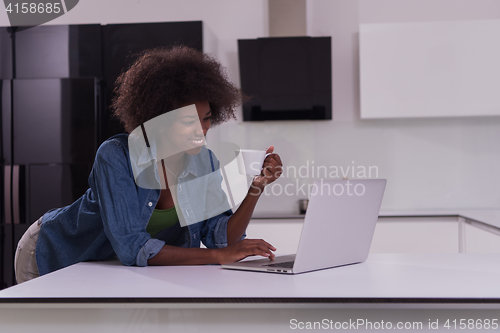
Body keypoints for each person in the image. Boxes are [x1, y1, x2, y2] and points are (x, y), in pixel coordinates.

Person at [14, 46, 283, 284]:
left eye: (206, 119)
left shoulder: (205, 161)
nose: (201, 130)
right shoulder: (116, 156)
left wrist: (256, 188)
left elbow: (220, 237)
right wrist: (217, 256)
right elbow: (133, 247)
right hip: (52, 255)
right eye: (188, 121)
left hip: (108, 270)